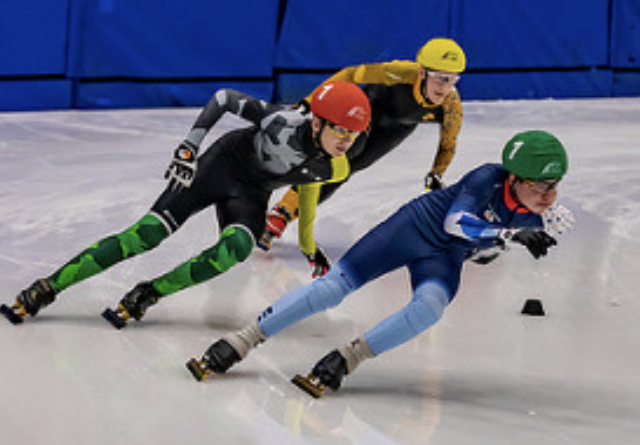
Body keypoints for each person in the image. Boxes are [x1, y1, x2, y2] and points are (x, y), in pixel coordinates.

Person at [186, 130, 575, 398]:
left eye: (554, 185)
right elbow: (455, 222)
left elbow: (486, 251)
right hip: (414, 228)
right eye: (541, 186)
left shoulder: (542, 214)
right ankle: (242, 340)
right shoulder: (487, 178)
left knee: (428, 309)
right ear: (514, 178)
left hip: (445, 257)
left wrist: (514, 240)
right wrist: (509, 235)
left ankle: (347, 358)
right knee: (333, 288)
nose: (549, 195)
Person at [0, 80, 371, 327]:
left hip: (252, 193)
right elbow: (224, 99)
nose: (347, 141)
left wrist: (308, 245)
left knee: (236, 250)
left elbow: (307, 192)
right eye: (340, 129)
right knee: (145, 236)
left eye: (354, 134)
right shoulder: (281, 121)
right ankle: (47, 287)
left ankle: (150, 292)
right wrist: (190, 147)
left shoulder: (335, 166)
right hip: (220, 166)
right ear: (317, 123)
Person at [258, 37, 466, 252]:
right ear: (422, 73)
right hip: (368, 108)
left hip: (396, 128)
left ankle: (282, 215)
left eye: (452, 79)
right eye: (439, 78)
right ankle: (268, 191)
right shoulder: (401, 72)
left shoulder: (451, 107)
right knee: (341, 155)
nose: (445, 87)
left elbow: (447, 146)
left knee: (345, 171)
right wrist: (310, 101)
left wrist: (436, 173)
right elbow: (350, 74)